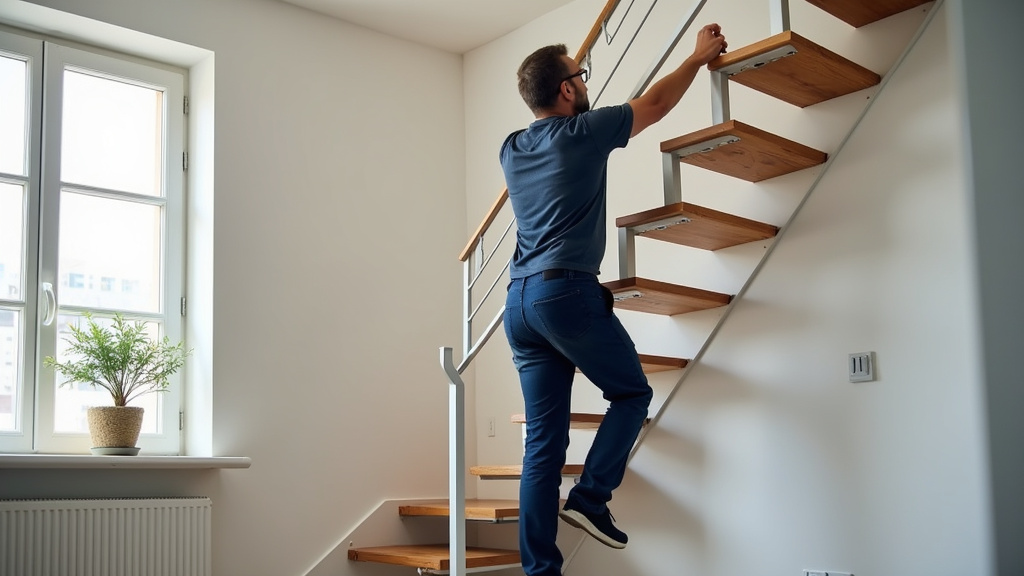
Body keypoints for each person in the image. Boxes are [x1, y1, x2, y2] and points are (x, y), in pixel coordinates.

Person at [499, 23, 728, 576]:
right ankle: (591, 498)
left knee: (541, 450)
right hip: (564, 292)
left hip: (518, 305)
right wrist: (697, 57)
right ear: (567, 90)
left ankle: (539, 571)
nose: (585, 82)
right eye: (580, 75)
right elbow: (654, 103)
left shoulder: (511, 147)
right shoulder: (582, 132)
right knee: (631, 393)